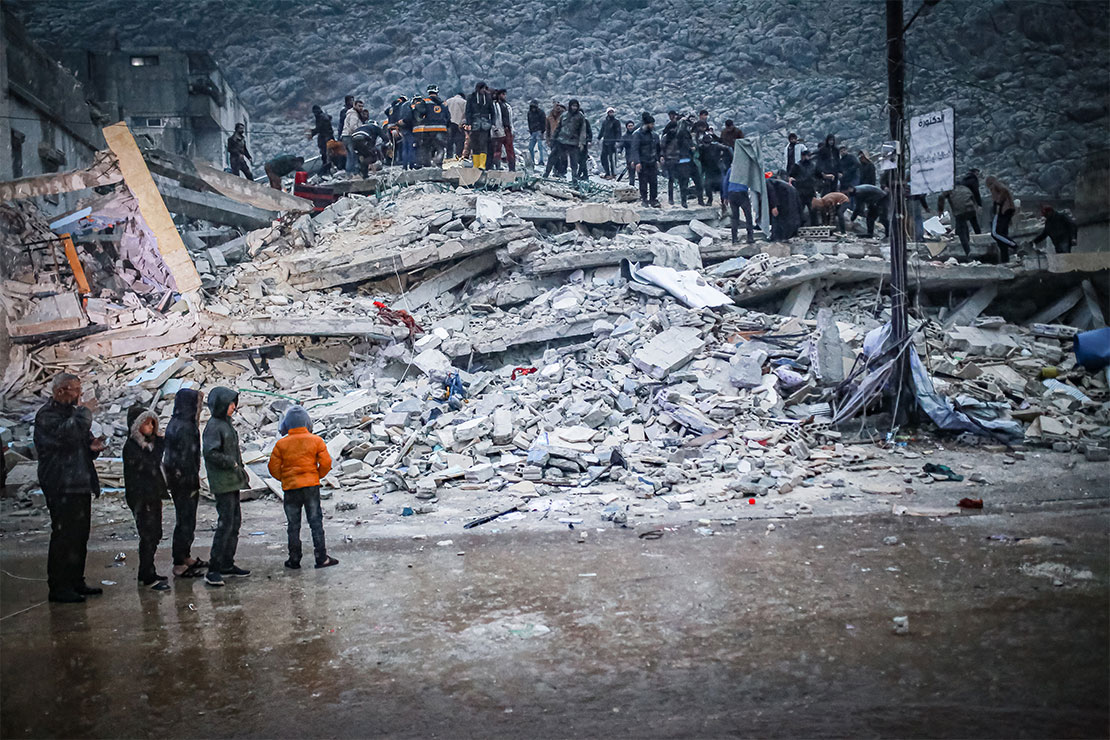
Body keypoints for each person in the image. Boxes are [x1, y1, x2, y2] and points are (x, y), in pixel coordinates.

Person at [34, 373, 104, 603]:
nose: (79, 395)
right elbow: (69, 434)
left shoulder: (72, 414)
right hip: (60, 484)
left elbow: (80, 441)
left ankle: (75, 580)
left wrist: (92, 447)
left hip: (79, 482)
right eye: (74, 390)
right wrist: (85, 411)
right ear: (60, 391)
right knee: (64, 536)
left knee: (79, 535)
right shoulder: (46, 416)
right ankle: (59, 586)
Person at [268, 406, 338, 570]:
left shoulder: (281, 444)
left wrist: (284, 477)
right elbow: (327, 463)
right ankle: (321, 558)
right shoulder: (316, 440)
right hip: (310, 487)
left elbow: (272, 467)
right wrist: (317, 475)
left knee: (293, 525)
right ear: (307, 422)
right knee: (316, 522)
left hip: (291, 488)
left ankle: (294, 559)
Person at [203, 387, 250, 587]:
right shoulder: (214, 426)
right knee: (225, 524)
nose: (234, 407)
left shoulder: (226, 424)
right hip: (223, 482)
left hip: (232, 481)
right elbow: (210, 453)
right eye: (230, 403)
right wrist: (231, 463)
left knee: (234, 522)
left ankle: (227, 563)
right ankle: (214, 568)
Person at [122, 406, 169, 591]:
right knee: (148, 535)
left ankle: (147, 571)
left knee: (154, 533)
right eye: (146, 423)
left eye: (152, 423)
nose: (150, 427)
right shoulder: (132, 447)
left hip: (152, 494)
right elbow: (149, 466)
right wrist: (160, 446)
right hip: (141, 496)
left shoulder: (147, 445)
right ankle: (147, 575)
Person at [163, 388, 208, 579]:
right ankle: (179, 562)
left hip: (180, 478)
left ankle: (184, 556)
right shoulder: (185, 427)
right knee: (185, 520)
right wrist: (189, 478)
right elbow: (185, 457)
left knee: (186, 519)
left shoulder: (176, 423)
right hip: (184, 480)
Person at [937, 182, 980, 256]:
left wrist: (940, 210)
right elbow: (973, 196)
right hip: (971, 208)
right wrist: (976, 207)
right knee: (972, 224)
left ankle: (968, 252)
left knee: (961, 231)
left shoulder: (950, 189)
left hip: (960, 211)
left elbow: (941, 197)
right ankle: (977, 243)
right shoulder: (965, 188)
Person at [413, 85, 451, 168]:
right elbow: (448, 117)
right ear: (437, 92)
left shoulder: (425, 102)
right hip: (441, 128)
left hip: (428, 129)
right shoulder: (444, 103)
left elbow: (420, 111)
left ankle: (426, 165)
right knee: (440, 148)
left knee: (426, 147)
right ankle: (438, 163)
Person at [629, 112, 661, 207]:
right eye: (651, 124)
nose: (652, 126)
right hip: (642, 161)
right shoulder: (637, 134)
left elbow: (657, 148)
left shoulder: (654, 135)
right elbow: (635, 149)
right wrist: (637, 162)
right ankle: (644, 199)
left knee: (654, 181)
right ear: (646, 124)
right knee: (643, 181)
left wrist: (658, 159)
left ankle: (653, 199)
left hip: (652, 161)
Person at [986, 175, 1018, 262]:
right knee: (1002, 235)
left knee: (995, 233)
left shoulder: (995, 185)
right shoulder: (998, 186)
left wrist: (998, 203)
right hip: (1007, 210)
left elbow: (1003, 191)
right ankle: (1005, 259)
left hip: (1002, 211)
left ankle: (1013, 245)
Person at [721, 165, 754, 244]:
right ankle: (750, 237)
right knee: (748, 216)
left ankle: (734, 239)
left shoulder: (730, 170)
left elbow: (725, 183)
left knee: (735, 217)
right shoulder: (746, 169)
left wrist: (725, 197)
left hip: (732, 194)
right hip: (742, 193)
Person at [465, 82, 495, 170]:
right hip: (475, 124)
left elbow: (492, 112)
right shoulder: (471, 97)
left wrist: (492, 123)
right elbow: (468, 111)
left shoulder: (488, 98)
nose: (483, 90)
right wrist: (469, 123)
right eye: (482, 88)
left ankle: (482, 164)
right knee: (475, 144)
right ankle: (476, 164)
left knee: (483, 143)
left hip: (485, 124)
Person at [766, 174, 804, 241]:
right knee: (788, 219)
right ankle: (784, 237)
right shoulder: (785, 184)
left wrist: (774, 206)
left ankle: (776, 237)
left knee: (778, 218)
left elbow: (772, 192)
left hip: (784, 199)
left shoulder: (768, 182)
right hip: (790, 198)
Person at [698, 134, 731, 207]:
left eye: (708, 143)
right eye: (705, 143)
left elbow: (727, 149)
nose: (707, 145)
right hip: (708, 169)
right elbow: (699, 157)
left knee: (722, 185)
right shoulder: (701, 148)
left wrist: (726, 160)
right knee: (707, 185)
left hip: (718, 169)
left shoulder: (717, 146)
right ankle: (710, 199)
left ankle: (723, 201)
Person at [788, 149, 820, 225]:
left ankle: (814, 225)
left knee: (813, 208)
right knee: (799, 209)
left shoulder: (813, 165)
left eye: (807, 156)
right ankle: (798, 225)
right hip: (800, 190)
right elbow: (791, 175)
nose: (806, 157)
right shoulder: (797, 165)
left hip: (810, 190)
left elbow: (818, 175)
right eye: (804, 156)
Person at [490, 89, 516, 171]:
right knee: (497, 149)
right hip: (498, 129)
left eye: (504, 94)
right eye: (502, 94)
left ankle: (512, 167)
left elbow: (510, 119)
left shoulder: (507, 106)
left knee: (510, 149)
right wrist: (495, 128)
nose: (504, 96)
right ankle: (497, 166)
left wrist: (512, 129)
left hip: (507, 130)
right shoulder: (494, 105)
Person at [307, 105, 334, 174]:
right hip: (329, 137)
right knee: (329, 153)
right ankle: (329, 168)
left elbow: (319, 128)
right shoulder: (324, 116)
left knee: (325, 154)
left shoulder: (320, 117)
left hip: (325, 138)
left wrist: (312, 134)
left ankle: (327, 169)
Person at [341, 100, 364, 173]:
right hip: (349, 136)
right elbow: (353, 126)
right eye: (359, 106)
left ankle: (348, 172)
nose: (361, 108)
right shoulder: (354, 114)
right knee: (353, 155)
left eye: (362, 106)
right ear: (354, 105)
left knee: (349, 156)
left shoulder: (350, 113)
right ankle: (354, 172)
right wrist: (359, 132)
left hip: (345, 136)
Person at [598, 108, 621, 179]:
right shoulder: (605, 122)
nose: (611, 113)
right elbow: (602, 130)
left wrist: (617, 141)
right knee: (603, 158)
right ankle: (607, 172)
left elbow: (618, 132)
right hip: (605, 142)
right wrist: (599, 138)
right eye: (610, 112)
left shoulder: (616, 122)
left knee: (612, 159)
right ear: (607, 113)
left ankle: (612, 174)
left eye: (612, 112)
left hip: (612, 143)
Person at [445, 91, 467, 158]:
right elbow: (465, 114)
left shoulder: (448, 101)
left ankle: (449, 156)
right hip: (459, 124)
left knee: (449, 142)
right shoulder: (464, 102)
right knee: (459, 142)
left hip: (449, 124)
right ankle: (459, 156)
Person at [527, 100, 547, 166]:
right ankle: (532, 161)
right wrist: (530, 130)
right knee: (530, 147)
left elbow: (544, 122)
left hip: (539, 131)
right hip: (533, 132)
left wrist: (542, 131)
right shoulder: (529, 113)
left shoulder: (541, 112)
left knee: (540, 146)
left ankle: (541, 161)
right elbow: (529, 122)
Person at [620, 120, 637, 185]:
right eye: (629, 126)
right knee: (631, 171)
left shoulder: (637, 135)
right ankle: (632, 184)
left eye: (632, 126)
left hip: (638, 154)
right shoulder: (624, 136)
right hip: (629, 155)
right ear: (627, 127)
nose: (631, 127)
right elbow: (621, 144)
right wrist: (619, 151)